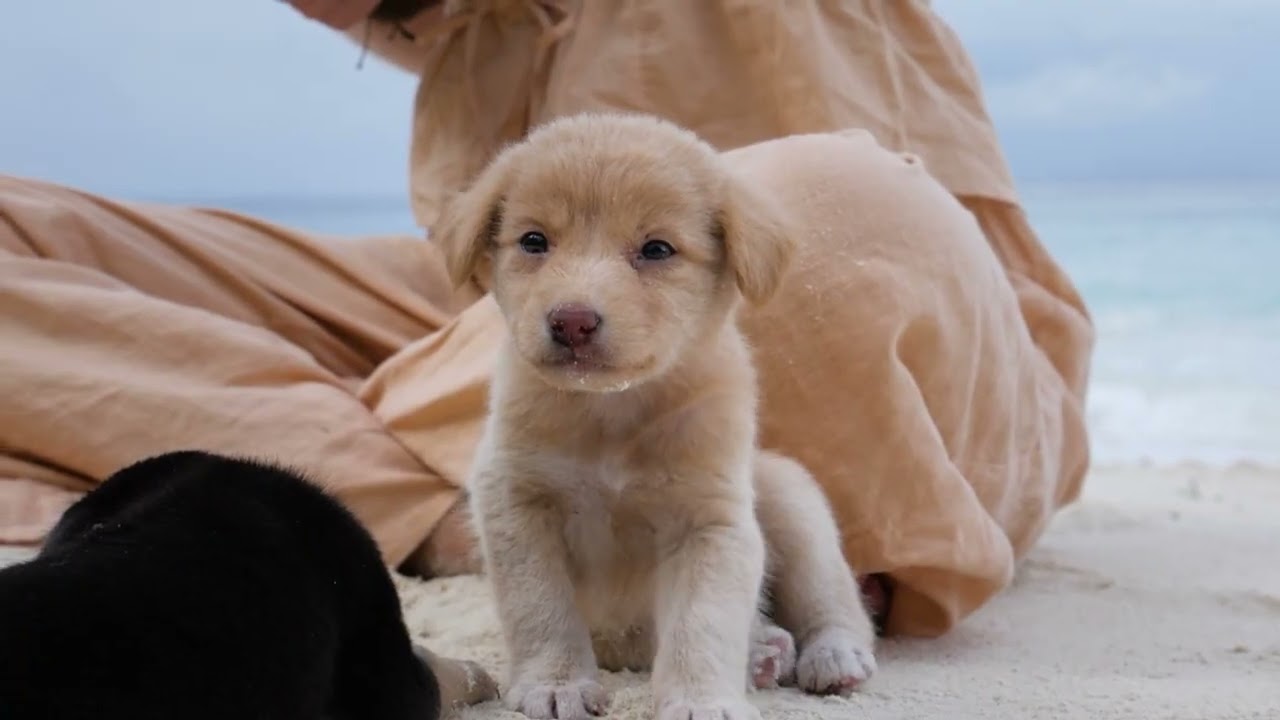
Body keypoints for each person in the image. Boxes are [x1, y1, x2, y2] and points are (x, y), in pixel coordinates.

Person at [0, 0, 1093, 637]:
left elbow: (868, 250)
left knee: (828, 205)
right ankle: (430, 471)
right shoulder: (477, 18)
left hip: (787, 327)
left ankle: (406, 483)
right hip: (510, 324)